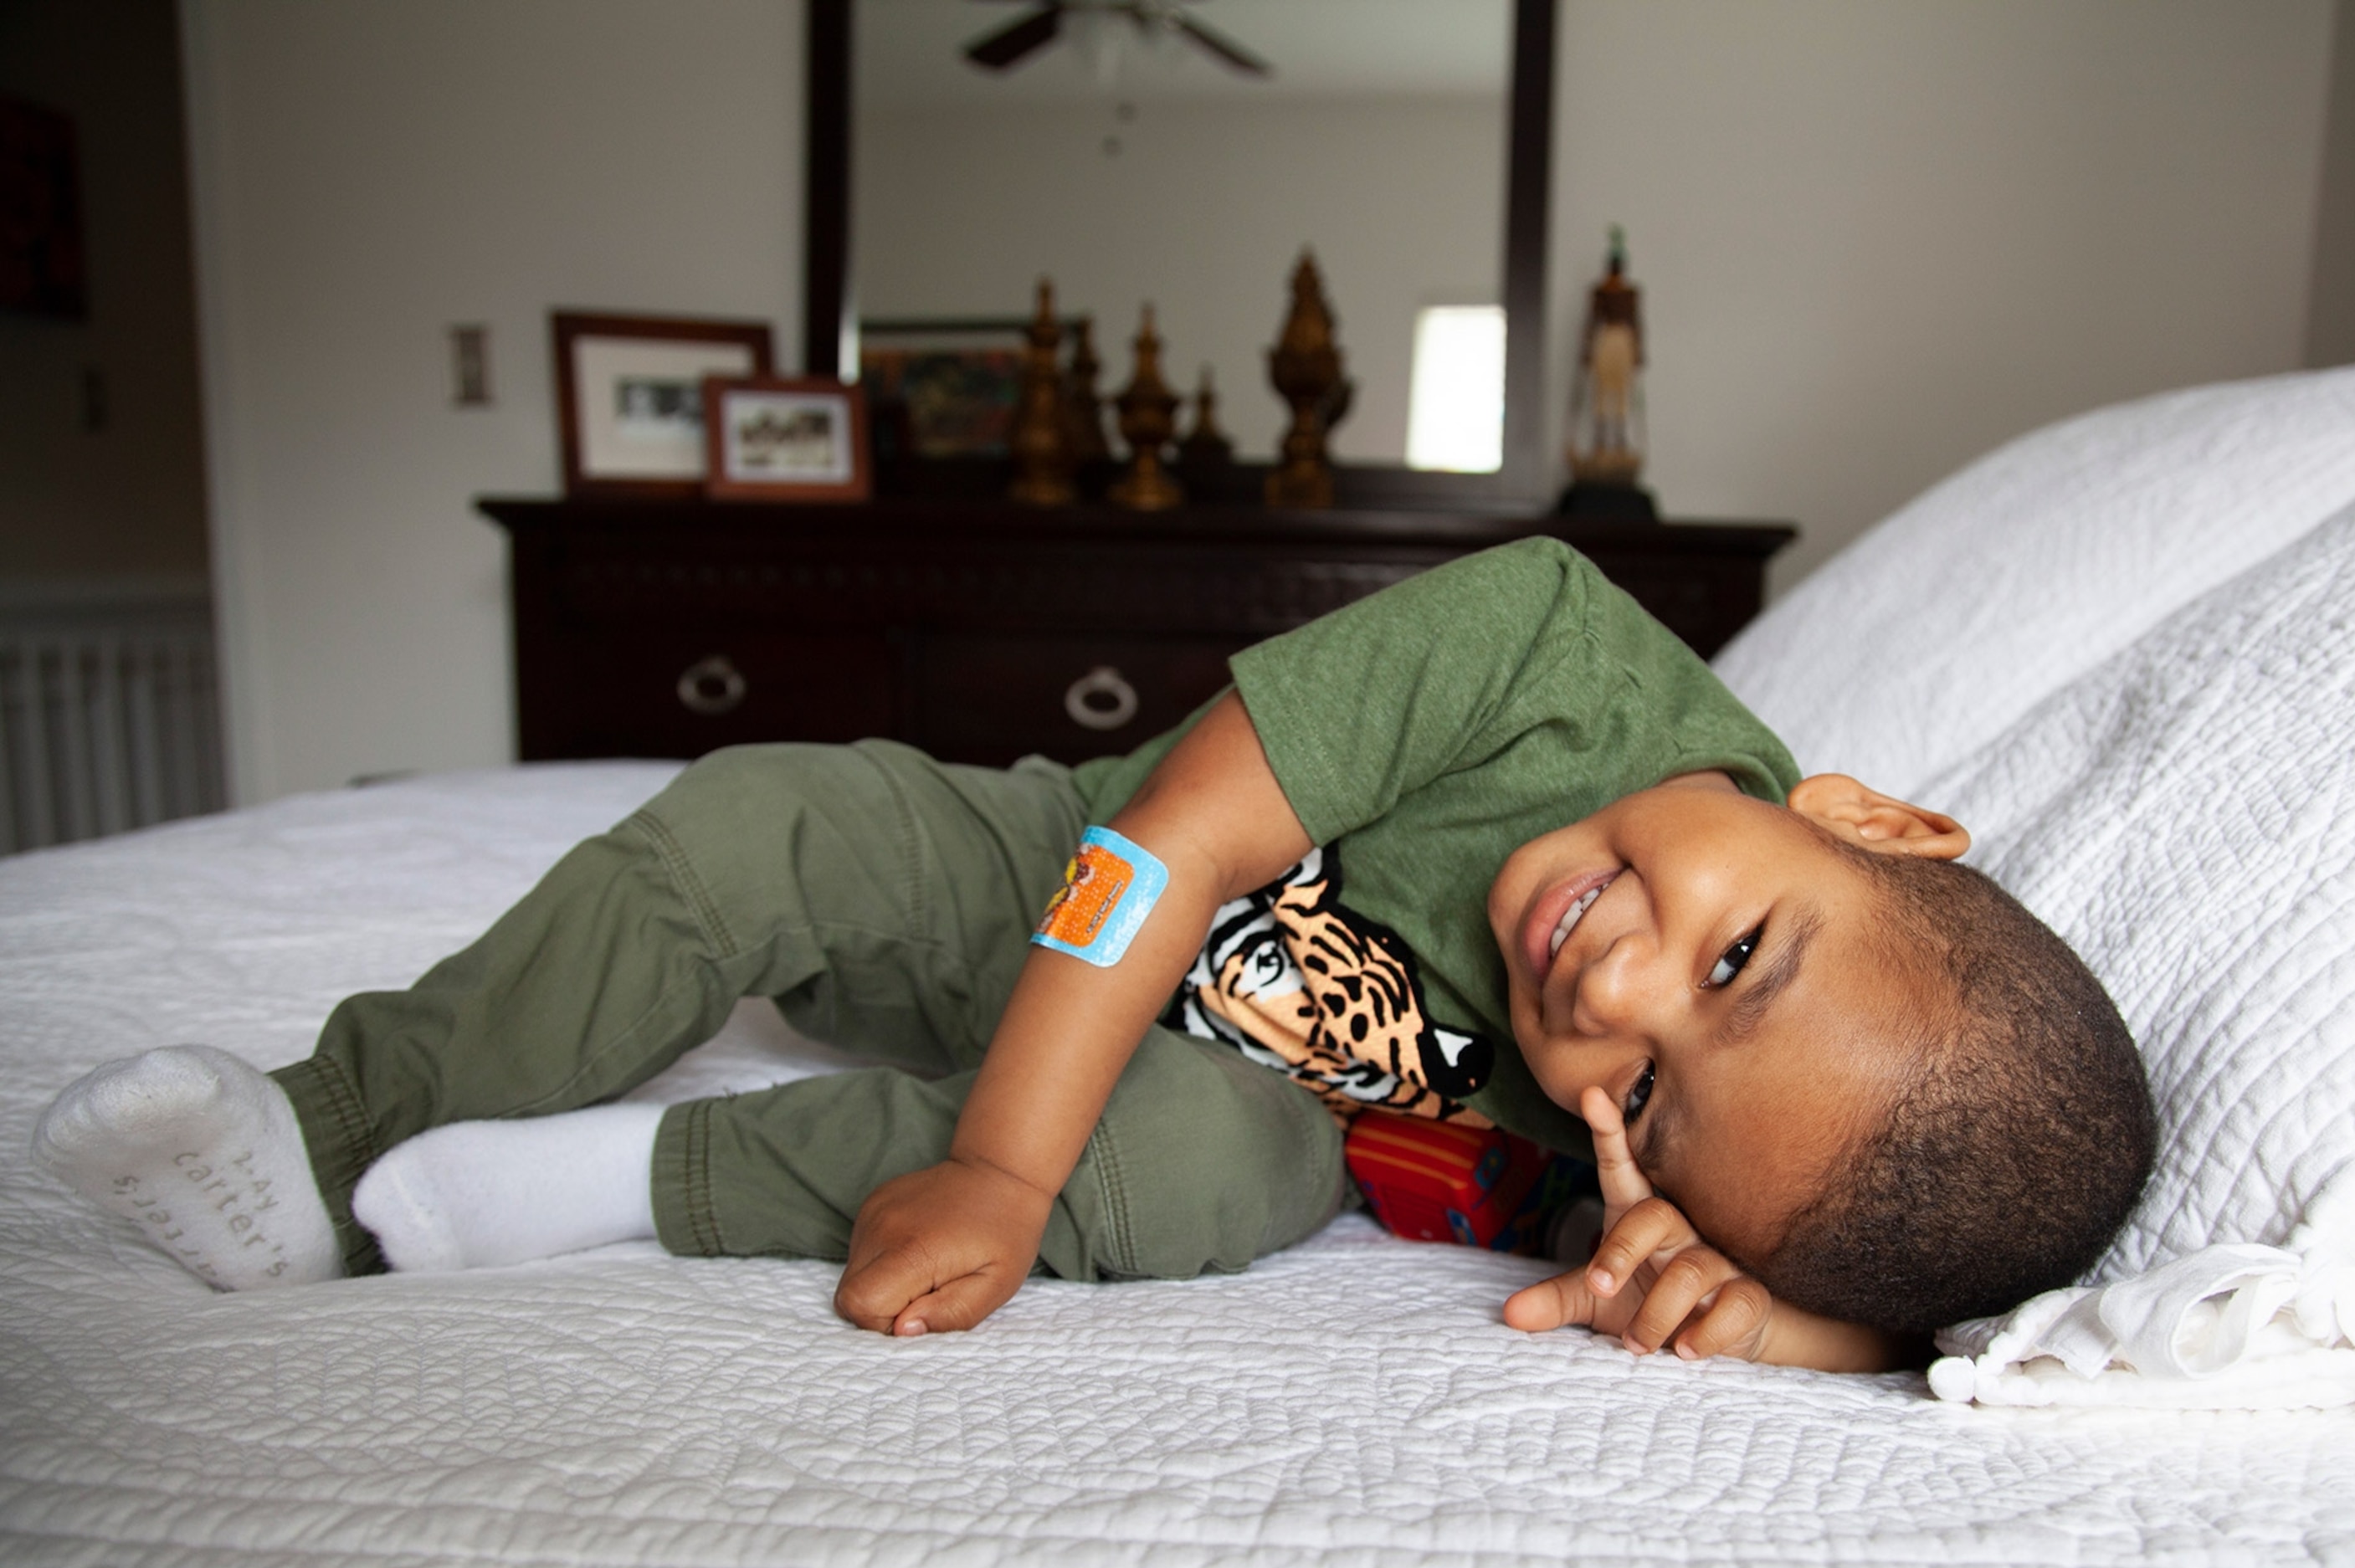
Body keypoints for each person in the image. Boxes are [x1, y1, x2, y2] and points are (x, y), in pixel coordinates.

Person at [33, 540, 2157, 1369]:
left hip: (1240, 1088)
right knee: (759, 819)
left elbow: (1886, 1307)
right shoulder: (1555, 646)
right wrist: (995, 1162)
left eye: (1657, 1100)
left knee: (1198, 1171)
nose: (1609, 1005)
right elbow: (1171, 840)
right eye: (1741, 952)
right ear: (1868, 816)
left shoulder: (1721, 1143)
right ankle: (328, 1126)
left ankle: (616, 1179)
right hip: (1054, 875)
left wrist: (1799, 1333)